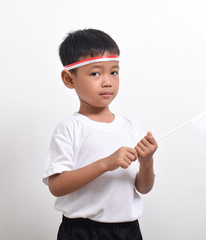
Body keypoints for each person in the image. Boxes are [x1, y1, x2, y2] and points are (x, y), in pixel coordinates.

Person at [43, 28, 158, 240]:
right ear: (69, 79)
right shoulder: (70, 128)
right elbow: (57, 186)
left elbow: (143, 187)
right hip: (82, 231)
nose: (107, 82)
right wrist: (106, 163)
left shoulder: (131, 127)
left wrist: (147, 161)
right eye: (95, 73)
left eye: (114, 72)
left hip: (127, 230)